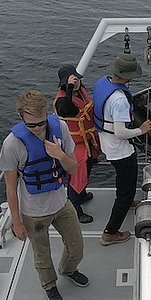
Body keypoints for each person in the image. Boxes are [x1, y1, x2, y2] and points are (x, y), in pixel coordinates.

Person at [0, 90, 88, 300]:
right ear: (22, 119)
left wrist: (60, 155)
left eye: (41, 123)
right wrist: (17, 223)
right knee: (42, 256)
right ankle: (49, 285)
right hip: (34, 212)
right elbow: (10, 187)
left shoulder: (60, 129)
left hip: (61, 202)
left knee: (77, 246)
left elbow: (73, 167)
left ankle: (68, 269)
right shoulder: (12, 145)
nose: (38, 129)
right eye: (32, 125)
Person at [92, 53, 151, 246]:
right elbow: (120, 132)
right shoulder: (119, 100)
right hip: (120, 150)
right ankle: (110, 232)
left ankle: (126, 201)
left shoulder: (103, 82)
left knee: (122, 180)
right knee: (126, 189)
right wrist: (141, 130)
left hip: (105, 141)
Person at [53, 65, 101, 224]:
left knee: (87, 170)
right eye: (73, 80)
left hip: (88, 140)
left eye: (78, 79)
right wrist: (69, 88)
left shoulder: (80, 91)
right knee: (77, 176)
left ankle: (81, 195)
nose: (78, 82)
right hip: (75, 145)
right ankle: (75, 207)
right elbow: (68, 110)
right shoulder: (62, 100)